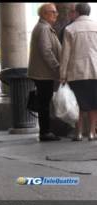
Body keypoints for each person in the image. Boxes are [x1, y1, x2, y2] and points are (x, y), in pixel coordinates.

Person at [60, 3, 97, 141]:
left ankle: (79, 133)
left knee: (78, 103)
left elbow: (65, 55)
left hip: (76, 72)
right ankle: (92, 133)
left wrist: (62, 75)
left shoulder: (70, 29)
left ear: (77, 12)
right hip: (95, 70)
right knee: (94, 103)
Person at [28, 3, 61, 142]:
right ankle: (45, 132)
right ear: (45, 14)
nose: (56, 14)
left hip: (43, 72)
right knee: (44, 104)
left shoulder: (44, 27)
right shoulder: (43, 29)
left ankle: (46, 131)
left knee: (44, 102)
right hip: (43, 73)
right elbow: (46, 51)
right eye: (53, 12)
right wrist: (57, 66)